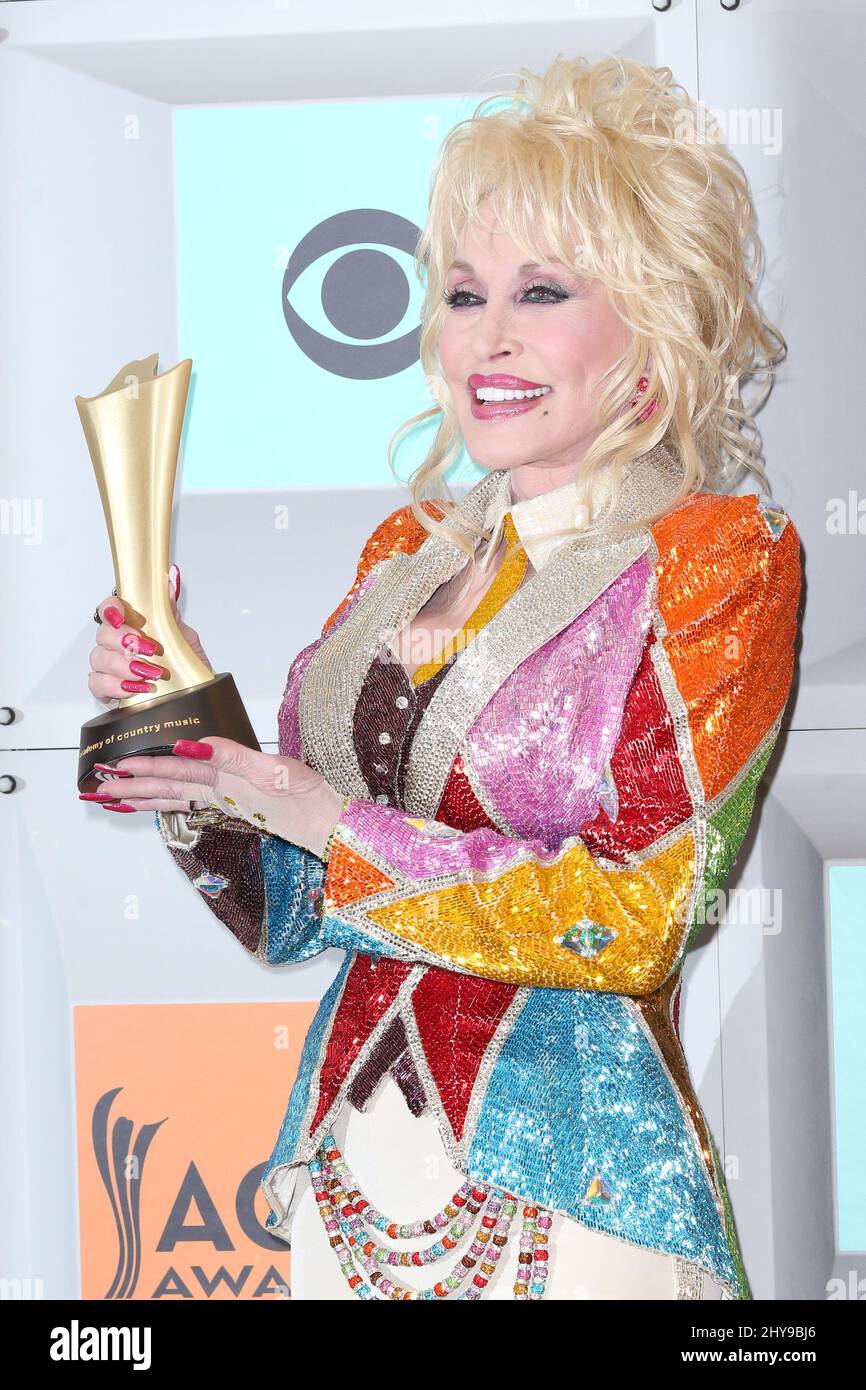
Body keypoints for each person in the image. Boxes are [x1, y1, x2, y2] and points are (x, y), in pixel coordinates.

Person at [82, 54, 802, 1300]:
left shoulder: (716, 559)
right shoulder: (400, 568)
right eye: (463, 292)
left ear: (652, 322)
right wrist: (185, 727)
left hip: (578, 1192)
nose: (489, 334)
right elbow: (289, 909)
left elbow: (639, 919)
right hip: (348, 1181)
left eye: (541, 289)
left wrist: (330, 819)